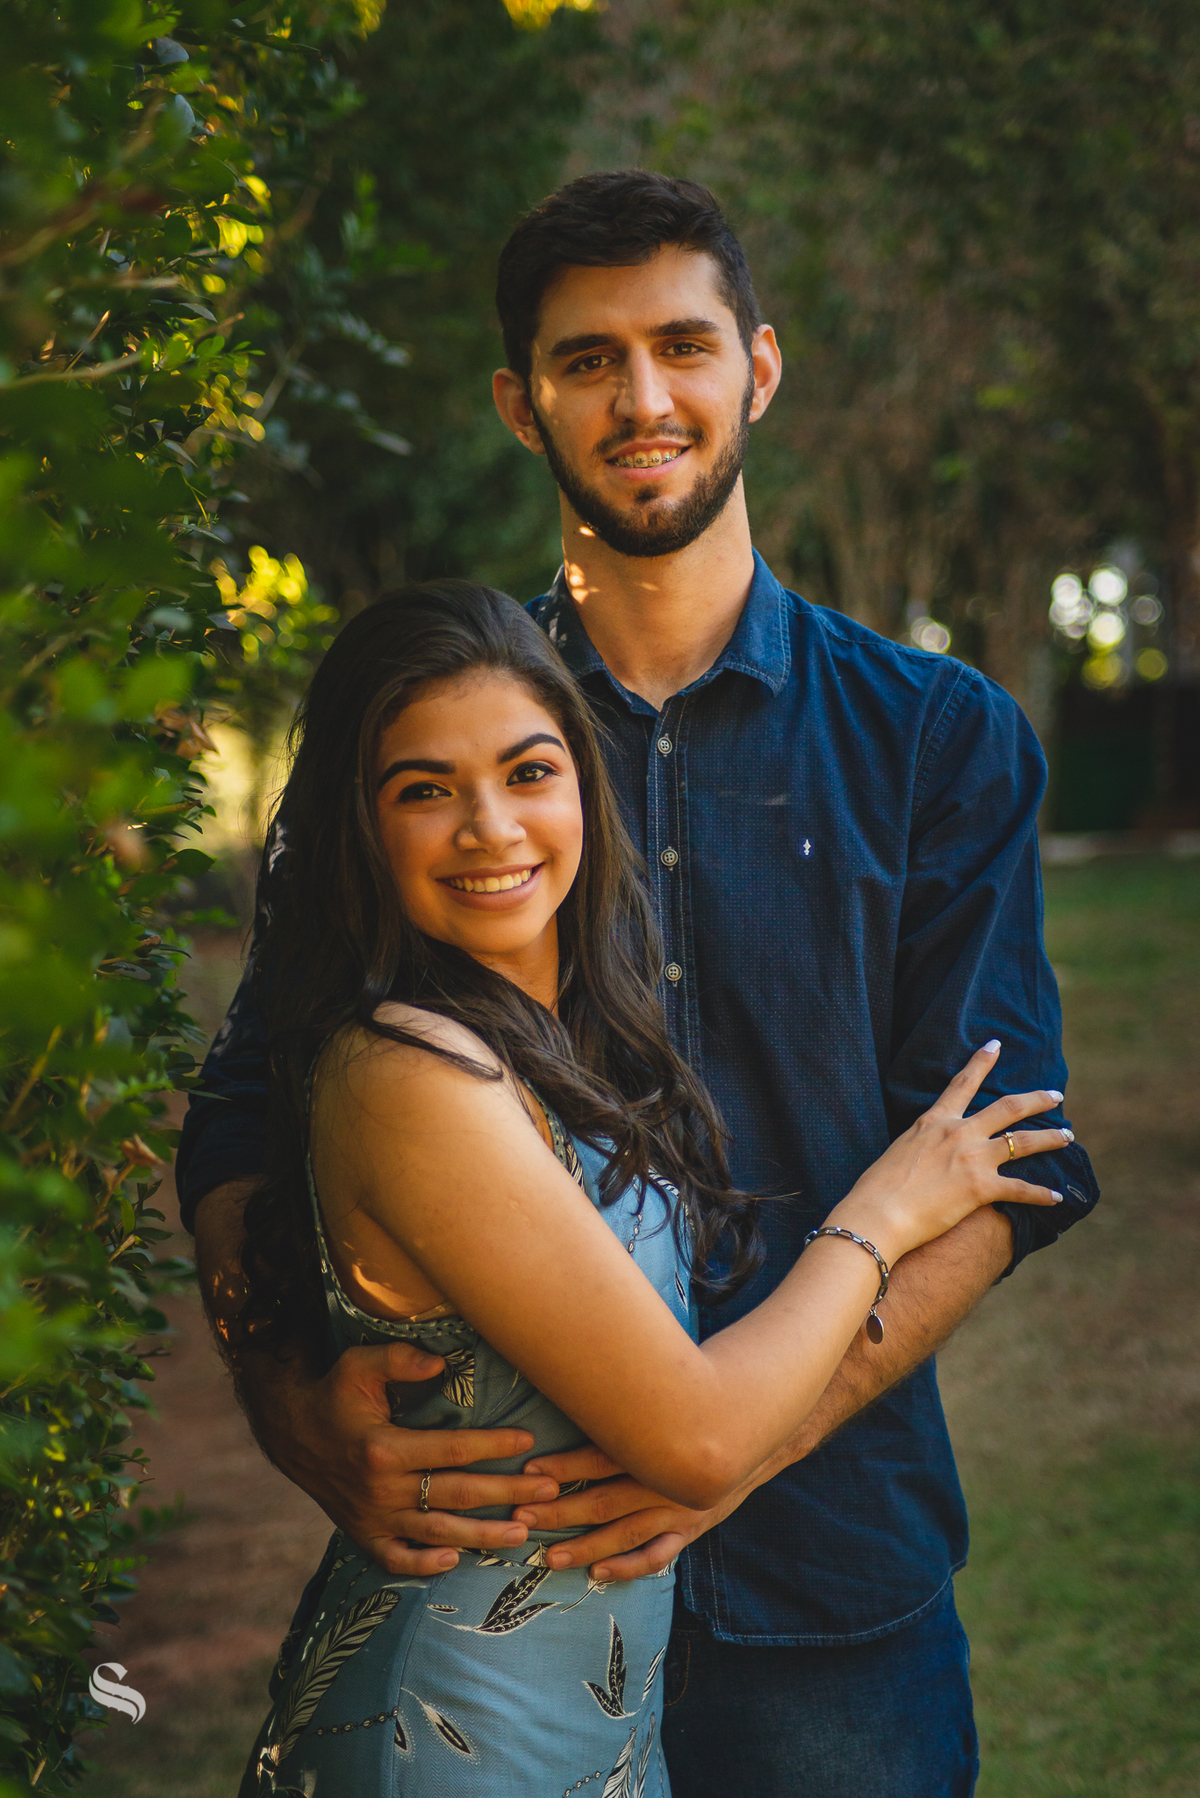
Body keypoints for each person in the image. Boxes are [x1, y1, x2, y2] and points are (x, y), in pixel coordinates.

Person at [181, 172, 1099, 1797]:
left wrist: (739, 1447)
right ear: (519, 403)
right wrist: (288, 1404)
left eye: (682, 345)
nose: (643, 398)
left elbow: (1003, 1151)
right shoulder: (430, 735)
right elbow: (248, 1102)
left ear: (761, 366)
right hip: (507, 1598)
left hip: (832, 1592)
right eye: (587, 359)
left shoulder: (938, 739)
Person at [233, 579, 1065, 1795]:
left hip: (636, 1697)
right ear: (359, 828)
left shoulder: (555, 1032)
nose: (490, 827)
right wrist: (884, 1211)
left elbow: (1034, 1143)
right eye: (424, 790)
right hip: (465, 1733)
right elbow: (700, 1436)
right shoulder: (413, 1069)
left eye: (528, 773)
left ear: (584, 784)